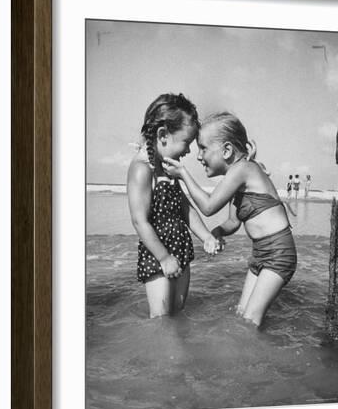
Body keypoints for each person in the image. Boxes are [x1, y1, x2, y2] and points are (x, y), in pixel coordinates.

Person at [163, 112, 297, 328]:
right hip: (261, 253)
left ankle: (256, 360)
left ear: (226, 150)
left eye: (203, 148)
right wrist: (217, 233)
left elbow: (208, 207)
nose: (199, 156)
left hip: (279, 253)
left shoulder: (243, 169)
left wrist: (183, 174)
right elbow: (233, 222)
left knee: (251, 319)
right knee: (242, 315)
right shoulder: (237, 177)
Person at [127, 93, 220, 318]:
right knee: (161, 319)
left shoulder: (168, 168)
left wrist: (206, 236)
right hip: (157, 254)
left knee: (178, 314)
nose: (188, 151)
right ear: (163, 135)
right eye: (186, 143)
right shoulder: (142, 169)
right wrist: (164, 258)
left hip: (181, 249)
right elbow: (139, 221)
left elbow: (185, 208)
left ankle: (177, 353)